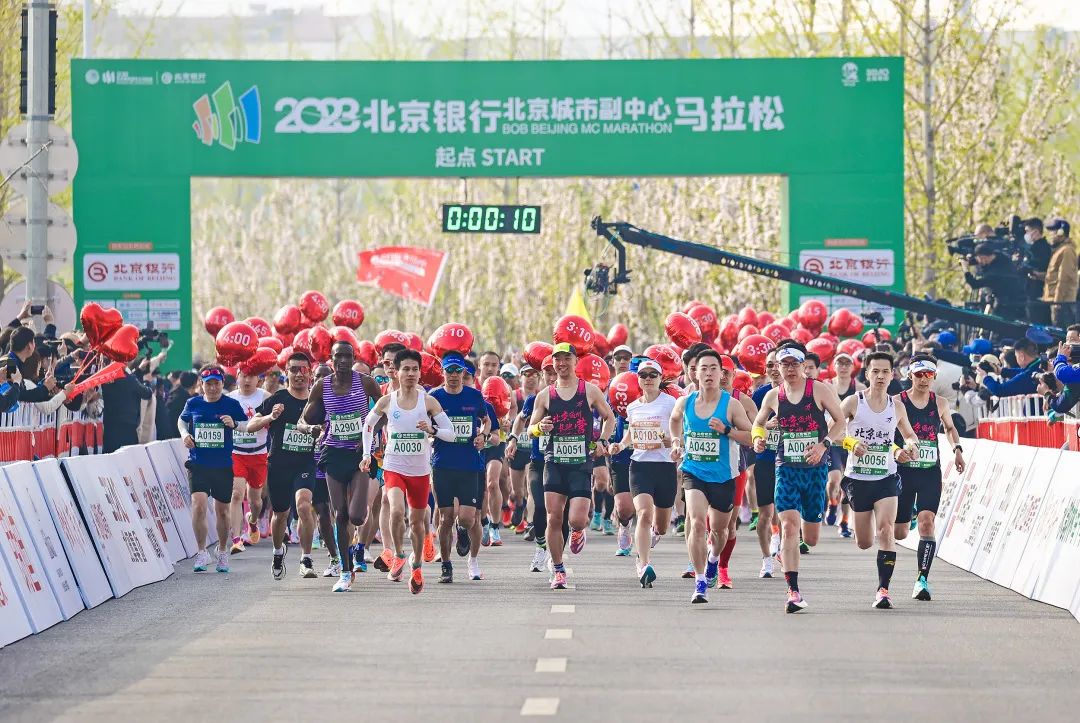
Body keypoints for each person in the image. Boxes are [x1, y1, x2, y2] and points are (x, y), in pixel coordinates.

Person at [752, 345, 846, 613]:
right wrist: (758, 438)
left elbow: (840, 421)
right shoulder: (773, 396)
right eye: (785, 364)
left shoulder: (819, 390)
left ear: (804, 366)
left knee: (811, 537)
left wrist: (823, 445)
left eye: (795, 364)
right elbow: (758, 423)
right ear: (778, 367)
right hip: (786, 468)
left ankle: (809, 527)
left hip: (815, 470)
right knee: (789, 527)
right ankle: (793, 591)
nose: (790, 369)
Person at [361, 348, 458, 595]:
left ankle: (416, 566)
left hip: (420, 471)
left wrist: (432, 430)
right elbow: (368, 426)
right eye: (406, 369)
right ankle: (398, 555)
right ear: (396, 371)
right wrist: (366, 455)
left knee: (416, 522)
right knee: (395, 510)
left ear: (420, 373)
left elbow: (451, 434)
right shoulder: (387, 401)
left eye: (415, 369)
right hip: (394, 467)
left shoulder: (428, 402)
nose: (411, 373)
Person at [526, 342, 616, 590]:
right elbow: (531, 429)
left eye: (567, 358)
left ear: (576, 362)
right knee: (553, 518)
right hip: (554, 462)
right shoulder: (545, 395)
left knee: (576, 520)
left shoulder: (589, 391)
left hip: (580, 464)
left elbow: (609, 417)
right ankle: (558, 570)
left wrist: (602, 441)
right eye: (557, 359)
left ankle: (578, 531)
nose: (562, 363)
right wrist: (540, 427)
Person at [838, 351, 921, 609]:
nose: (881, 376)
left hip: (886, 477)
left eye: (885, 371)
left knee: (886, 529)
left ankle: (883, 590)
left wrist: (910, 446)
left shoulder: (896, 406)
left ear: (892, 375)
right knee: (864, 542)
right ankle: (851, 514)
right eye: (875, 371)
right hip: (857, 478)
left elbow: (909, 434)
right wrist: (852, 443)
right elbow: (834, 431)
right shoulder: (853, 402)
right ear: (867, 374)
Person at [669, 350, 753, 603]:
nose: (708, 373)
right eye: (703, 368)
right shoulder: (685, 403)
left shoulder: (732, 405)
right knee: (696, 523)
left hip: (723, 476)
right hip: (693, 471)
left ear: (721, 373)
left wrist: (726, 430)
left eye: (713, 368)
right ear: (694, 373)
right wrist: (676, 441)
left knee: (719, 531)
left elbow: (751, 437)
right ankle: (700, 580)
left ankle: (714, 559)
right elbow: (674, 420)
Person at [302, 340, 382, 592]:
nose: (344, 361)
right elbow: (305, 417)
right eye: (339, 356)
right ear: (332, 358)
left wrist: (369, 433)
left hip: (359, 454)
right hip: (333, 453)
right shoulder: (322, 385)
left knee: (357, 515)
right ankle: (346, 573)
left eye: (348, 356)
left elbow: (384, 411)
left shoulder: (366, 383)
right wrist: (312, 424)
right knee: (340, 514)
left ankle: (354, 544)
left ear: (354, 358)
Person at [893, 356, 966, 601]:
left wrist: (957, 449)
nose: (924, 380)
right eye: (919, 374)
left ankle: (921, 580)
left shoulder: (940, 402)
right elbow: (886, 432)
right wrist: (896, 451)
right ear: (910, 376)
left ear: (934, 377)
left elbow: (949, 428)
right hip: (903, 470)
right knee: (900, 533)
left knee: (927, 523)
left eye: (929, 375)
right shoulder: (897, 402)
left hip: (929, 471)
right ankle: (910, 514)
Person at [246, 351, 324, 580]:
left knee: (303, 505)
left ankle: (306, 559)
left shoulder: (316, 401)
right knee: (280, 514)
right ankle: (278, 553)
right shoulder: (277, 399)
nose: (299, 374)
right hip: (279, 464)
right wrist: (270, 417)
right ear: (286, 373)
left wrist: (320, 431)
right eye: (294, 370)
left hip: (305, 463)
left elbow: (328, 427)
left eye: (303, 370)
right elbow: (250, 426)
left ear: (310, 373)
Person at [610, 359, 677, 587]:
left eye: (652, 375)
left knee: (661, 526)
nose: (648, 379)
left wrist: (671, 441)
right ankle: (644, 563)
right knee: (644, 513)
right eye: (643, 375)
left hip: (665, 466)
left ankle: (647, 541)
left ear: (660, 378)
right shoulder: (632, 407)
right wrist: (620, 445)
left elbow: (680, 431)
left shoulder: (670, 403)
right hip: (640, 466)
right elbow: (631, 434)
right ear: (637, 380)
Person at [178, 365, 250, 574]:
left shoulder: (231, 404)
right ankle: (201, 551)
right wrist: (185, 435)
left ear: (222, 383)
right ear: (201, 384)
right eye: (208, 384)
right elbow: (182, 421)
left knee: (223, 511)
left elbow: (248, 425)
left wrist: (234, 424)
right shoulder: (193, 403)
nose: (212, 388)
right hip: (198, 463)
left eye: (216, 383)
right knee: (198, 505)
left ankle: (222, 551)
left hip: (222, 465)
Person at [430, 353, 492, 583]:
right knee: (445, 518)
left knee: (467, 518)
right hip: (443, 464)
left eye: (458, 371)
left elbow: (487, 420)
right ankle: (446, 565)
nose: (454, 375)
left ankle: (464, 533)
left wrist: (483, 435)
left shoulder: (474, 396)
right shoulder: (434, 397)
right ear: (443, 372)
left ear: (464, 373)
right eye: (450, 370)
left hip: (469, 464)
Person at [227, 371, 270, 553]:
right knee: (236, 494)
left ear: (258, 379)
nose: (246, 380)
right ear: (237, 377)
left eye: (251, 376)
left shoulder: (265, 397)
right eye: (243, 376)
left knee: (256, 502)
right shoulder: (230, 398)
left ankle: (252, 521)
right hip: (237, 453)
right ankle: (237, 539)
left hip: (258, 454)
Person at [750, 348, 782, 578]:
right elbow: (751, 424)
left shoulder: (800, 393)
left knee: (787, 513)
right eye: (769, 365)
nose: (774, 369)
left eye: (777, 364)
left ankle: (782, 546)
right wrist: (763, 428)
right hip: (766, 460)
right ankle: (766, 560)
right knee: (765, 515)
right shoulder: (760, 394)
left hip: (791, 462)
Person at [827, 352, 864, 536]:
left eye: (846, 364)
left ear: (852, 367)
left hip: (851, 443)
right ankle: (832, 504)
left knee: (848, 485)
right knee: (834, 480)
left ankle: (844, 522)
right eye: (839, 363)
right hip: (832, 441)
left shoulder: (860, 388)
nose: (843, 367)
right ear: (834, 366)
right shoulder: (827, 387)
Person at [963, 242, 1026, 322]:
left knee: (998, 324)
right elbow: (983, 260)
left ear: (983, 257)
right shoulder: (1002, 257)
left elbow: (974, 284)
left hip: (1006, 305)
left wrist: (965, 269)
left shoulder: (993, 274)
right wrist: (971, 260)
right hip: (1019, 299)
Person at [101, 362, 155, 452]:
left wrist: (138, 371)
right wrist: (147, 382)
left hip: (110, 427)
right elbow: (146, 393)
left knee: (110, 454)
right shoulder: (129, 378)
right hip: (127, 427)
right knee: (129, 456)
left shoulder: (104, 377)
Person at [979, 337, 1044, 398]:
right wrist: (1001, 371)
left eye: (1016, 356)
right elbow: (1022, 371)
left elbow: (999, 390)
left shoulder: (1029, 374)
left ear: (1022, 357)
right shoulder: (1041, 365)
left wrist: (985, 377)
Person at [1042, 219, 1077, 327]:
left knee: (1060, 332)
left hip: (1062, 303)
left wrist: (1058, 301)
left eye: (1052, 232)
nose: (1050, 235)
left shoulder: (1067, 250)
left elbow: (1064, 278)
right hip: (1057, 301)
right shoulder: (1060, 250)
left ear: (1060, 232)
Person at [1022, 218, 1052, 325]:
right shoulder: (1032, 247)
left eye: (1027, 231)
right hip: (1031, 291)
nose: (1026, 235)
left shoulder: (1042, 248)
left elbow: (1040, 268)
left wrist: (1030, 270)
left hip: (1038, 291)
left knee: (1038, 322)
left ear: (1035, 231)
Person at [161, 371, 197, 440]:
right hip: (178, 437)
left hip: (168, 434)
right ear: (194, 384)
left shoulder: (175, 393)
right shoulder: (185, 400)